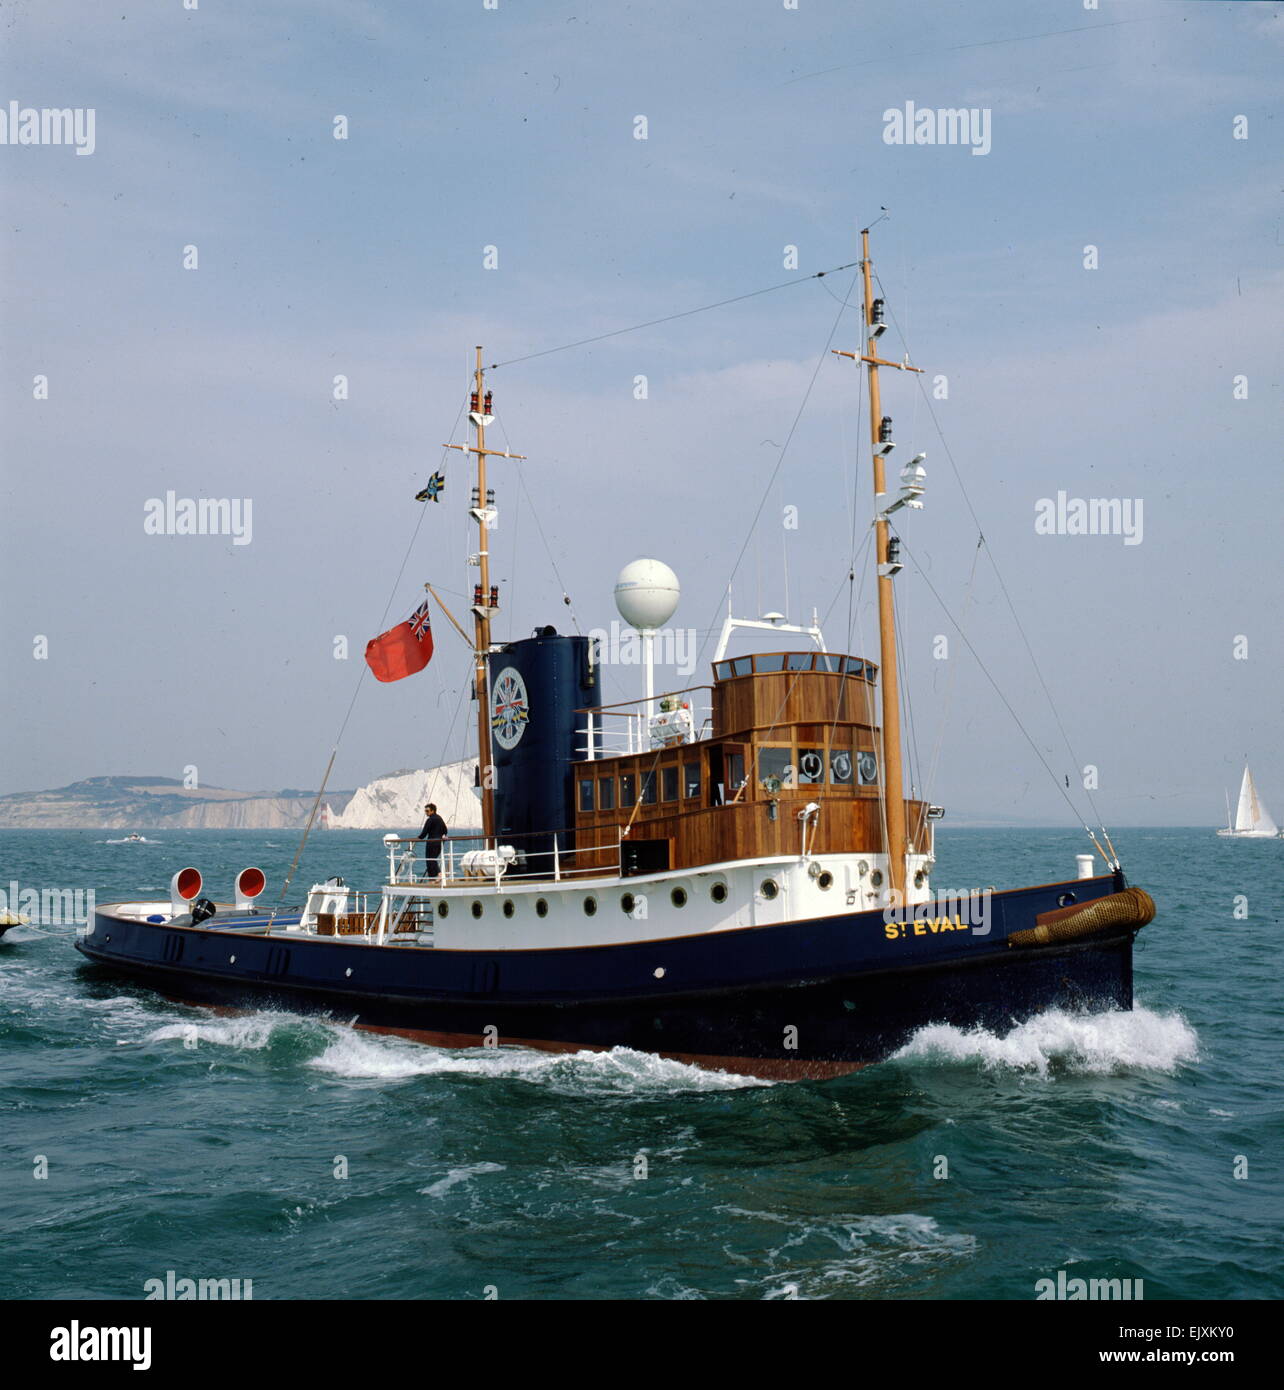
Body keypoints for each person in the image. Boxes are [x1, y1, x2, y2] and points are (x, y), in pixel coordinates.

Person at [416, 803, 448, 882]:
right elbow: (445, 830)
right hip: (439, 842)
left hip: (432, 842)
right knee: (433, 859)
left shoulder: (430, 820)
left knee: (430, 859)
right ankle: (435, 877)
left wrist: (418, 838)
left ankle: (437, 875)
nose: (426, 813)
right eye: (425, 811)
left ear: (432, 811)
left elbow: (424, 833)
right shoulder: (439, 818)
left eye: (427, 811)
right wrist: (442, 836)